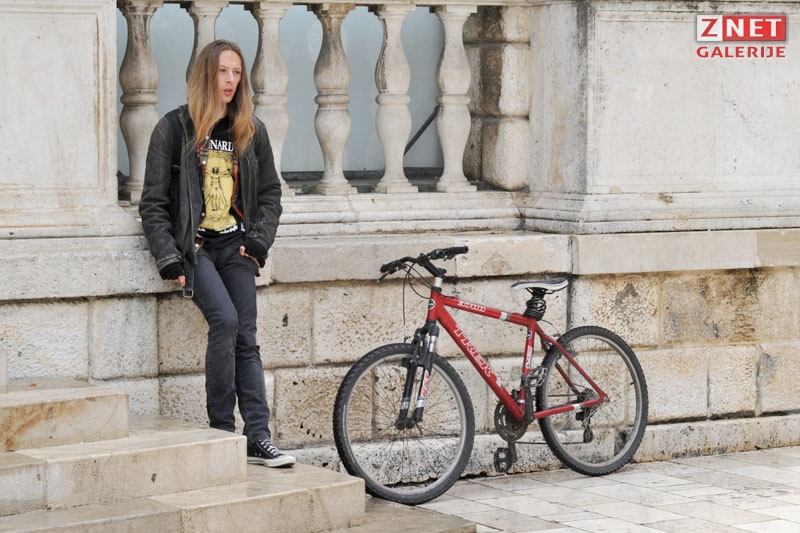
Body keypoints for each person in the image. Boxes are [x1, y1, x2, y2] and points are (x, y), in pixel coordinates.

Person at [139, 39, 294, 468]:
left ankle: (258, 437)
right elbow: (153, 203)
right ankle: (222, 432)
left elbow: (270, 194)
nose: (230, 80)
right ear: (206, 75)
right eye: (223, 71)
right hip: (196, 249)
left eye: (236, 73)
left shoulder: (250, 129)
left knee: (246, 337)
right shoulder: (174, 129)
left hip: (236, 246)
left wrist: (258, 241)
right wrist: (168, 257)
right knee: (225, 322)